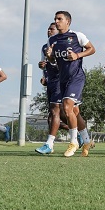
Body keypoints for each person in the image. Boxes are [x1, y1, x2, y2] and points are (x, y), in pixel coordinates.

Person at [46, 11, 96, 157]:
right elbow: (53, 61)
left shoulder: (77, 36)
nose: (56, 21)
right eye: (55, 19)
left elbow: (92, 49)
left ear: (68, 21)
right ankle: (86, 140)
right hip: (63, 79)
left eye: (59, 19)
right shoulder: (52, 40)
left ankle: (74, 142)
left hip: (76, 77)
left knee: (67, 107)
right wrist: (49, 57)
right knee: (74, 112)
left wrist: (77, 55)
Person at [36, 23, 71, 155]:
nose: (49, 30)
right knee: (53, 116)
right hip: (50, 82)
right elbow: (44, 64)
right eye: (48, 28)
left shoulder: (62, 44)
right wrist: (43, 73)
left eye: (52, 29)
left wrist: (52, 62)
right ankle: (77, 132)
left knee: (55, 110)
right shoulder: (45, 46)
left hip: (59, 81)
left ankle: (49, 144)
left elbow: (63, 65)